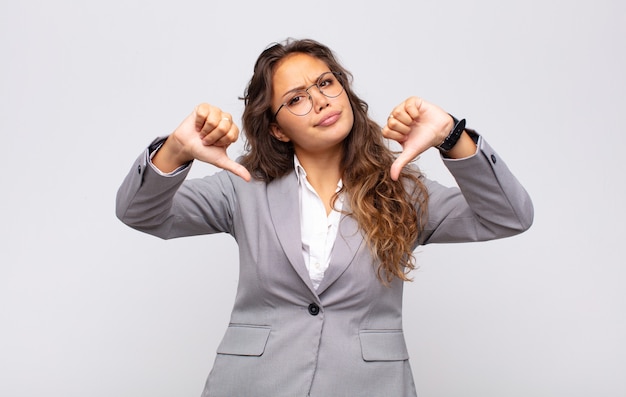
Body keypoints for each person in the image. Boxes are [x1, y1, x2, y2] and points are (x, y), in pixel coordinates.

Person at [116, 38, 533, 397]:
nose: (319, 101)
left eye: (325, 83)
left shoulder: (401, 191)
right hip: (252, 384)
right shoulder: (242, 187)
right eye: (295, 99)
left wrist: (451, 136)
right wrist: (175, 149)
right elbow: (140, 213)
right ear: (278, 128)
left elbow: (508, 216)